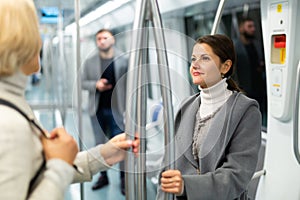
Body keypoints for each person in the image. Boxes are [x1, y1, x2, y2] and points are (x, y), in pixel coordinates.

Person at [0, 0, 139, 199]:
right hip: (98, 107)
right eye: (34, 30)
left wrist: (104, 154)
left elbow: (34, 175)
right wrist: (59, 167)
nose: (40, 41)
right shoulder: (8, 125)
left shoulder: (14, 105)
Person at [156, 34, 261, 200]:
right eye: (193, 59)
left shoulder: (246, 110)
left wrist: (187, 186)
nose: (195, 65)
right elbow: (167, 166)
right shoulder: (187, 106)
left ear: (225, 67)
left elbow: (236, 176)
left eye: (205, 58)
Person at [81, 28, 128, 193]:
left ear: (112, 40)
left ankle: (124, 178)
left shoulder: (124, 59)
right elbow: (82, 82)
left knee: (123, 145)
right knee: (99, 144)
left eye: (105, 37)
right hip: (98, 110)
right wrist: (96, 85)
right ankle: (103, 176)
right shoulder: (90, 61)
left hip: (118, 109)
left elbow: (131, 84)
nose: (102, 41)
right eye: (99, 38)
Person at [234, 17, 267, 125]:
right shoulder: (235, 47)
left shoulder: (257, 44)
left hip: (259, 88)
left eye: (253, 26)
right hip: (245, 90)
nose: (253, 29)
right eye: (249, 26)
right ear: (241, 29)